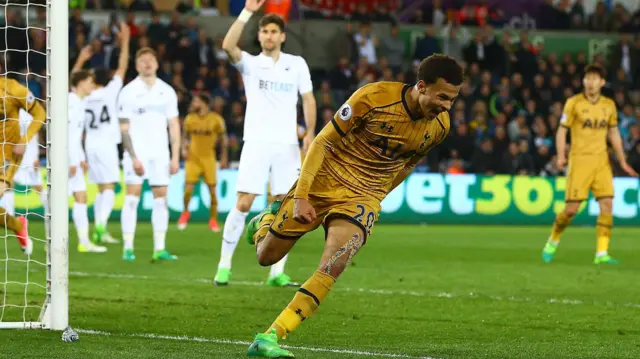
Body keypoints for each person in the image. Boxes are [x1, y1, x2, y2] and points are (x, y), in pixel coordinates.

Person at [243, 53, 463, 357]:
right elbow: (323, 141)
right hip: (323, 180)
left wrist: (378, 196)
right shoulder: (373, 97)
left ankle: (270, 336)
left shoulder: (440, 126)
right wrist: (303, 196)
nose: (447, 106)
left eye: (452, 100)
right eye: (442, 97)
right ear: (421, 86)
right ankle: (264, 223)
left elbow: (410, 162)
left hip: (363, 196)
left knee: (336, 263)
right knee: (265, 256)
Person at [214, 0, 317, 287]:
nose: (269, 36)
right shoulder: (251, 64)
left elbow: (308, 98)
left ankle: (277, 272)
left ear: (282, 36)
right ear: (259, 36)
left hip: (286, 145)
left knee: (283, 207)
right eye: (265, 31)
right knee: (244, 202)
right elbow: (227, 45)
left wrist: (309, 131)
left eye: (274, 31)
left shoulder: (296, 65)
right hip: (257, 141)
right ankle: (224, 265)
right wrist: (247, 12)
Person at [542, 63, 638, 264]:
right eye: (588, 79)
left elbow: (614, 134)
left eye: (595, 79)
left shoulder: (609, 105)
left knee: (607, 204)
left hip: (602, 161)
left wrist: (622, 161)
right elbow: (562, 130)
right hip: (579, 161)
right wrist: (561, 155)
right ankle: (554, 239)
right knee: (571, 210)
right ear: (583, 81)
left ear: (602, 82)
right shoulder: (573, 103)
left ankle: (601, 253)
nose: (590, 83)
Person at [118, 47, 181, 262]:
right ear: (137, 66)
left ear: (156, 63)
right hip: (137, 153)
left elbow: (174, 126)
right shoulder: (128, 91)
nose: (147, 63)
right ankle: (128, 248)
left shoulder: (167, 91)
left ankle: (159, 248)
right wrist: (133, 156)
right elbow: (124, 128)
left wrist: (174, 156)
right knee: (132, 199)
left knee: (161, 200)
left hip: (160, 154)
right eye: (143, 60)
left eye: (150, 60)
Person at [77, 23, 130, 245]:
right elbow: (122, 67)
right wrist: (125, 41)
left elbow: (73, 80)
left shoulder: (83, 95)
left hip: (90, 144)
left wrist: (81, 60)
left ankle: (102, 227)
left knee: (100, 187)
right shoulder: (110, 92)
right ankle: (100, 224)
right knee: (109, 186)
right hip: (107, 143)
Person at [0, 65, 46, 256]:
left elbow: (40, 114)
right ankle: (18, 225)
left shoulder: (13, 88)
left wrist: (25, 139)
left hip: (6, 153)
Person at [68, 70, 107, 253]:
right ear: (81, 82)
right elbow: (63, 133)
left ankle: (83, 241)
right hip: (65, 161)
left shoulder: (80, 103)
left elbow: (76, 136)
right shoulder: (70, 102)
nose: (93, 85)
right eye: (90, 81)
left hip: (74, 158)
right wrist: (70, 160)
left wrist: (81, 158)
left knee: (81, 197)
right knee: (57, 203)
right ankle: (53, 242)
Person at [177, 93, 228, 232]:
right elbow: (184, 136)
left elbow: (224, 139)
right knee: (188, 190)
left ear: (204, 104)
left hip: (208, 159)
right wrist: (183, 148)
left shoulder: (216, 119)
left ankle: (213, 219)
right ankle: (185, 212)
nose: (193, 103)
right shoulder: (190, 119)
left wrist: (224, 157)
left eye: (196, 101)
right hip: (193, 159)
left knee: (212, 192)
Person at [3, 110, 48, 218]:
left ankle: (51, 210)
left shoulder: (30, 114)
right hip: (14, 155)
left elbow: (36, 137)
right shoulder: (9, 112)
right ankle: (9, 216)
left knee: (38, 186)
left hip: (29, 157)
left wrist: (36, 157)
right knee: (8, 184)